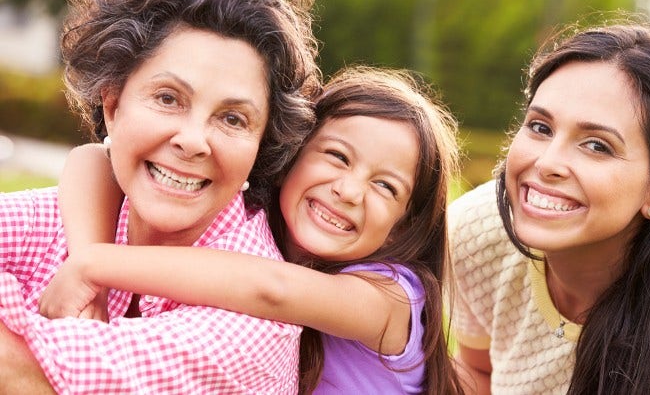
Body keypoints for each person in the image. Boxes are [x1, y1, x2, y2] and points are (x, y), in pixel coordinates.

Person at [39, 66, 466, 394]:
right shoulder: (251, 226)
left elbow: (273, 290)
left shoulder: (390, 298)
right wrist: (86, 260)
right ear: (290, 153)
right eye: (337, 156)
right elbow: (95, 159)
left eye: (385, 186)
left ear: (400, 227)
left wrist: (98, 265)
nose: (350, 190)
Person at [0, 0, 321, 393]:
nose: (192, 141)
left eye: (232, 119)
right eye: (168, 98)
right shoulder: (64, 217)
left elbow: (18, 371)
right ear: (113, 105)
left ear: (260, 147)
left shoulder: (253, 326)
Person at [448, 21, 650, 394]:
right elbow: (479, 373)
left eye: (597, 145)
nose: (547, 163)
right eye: (540, 127)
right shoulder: (479, 232)